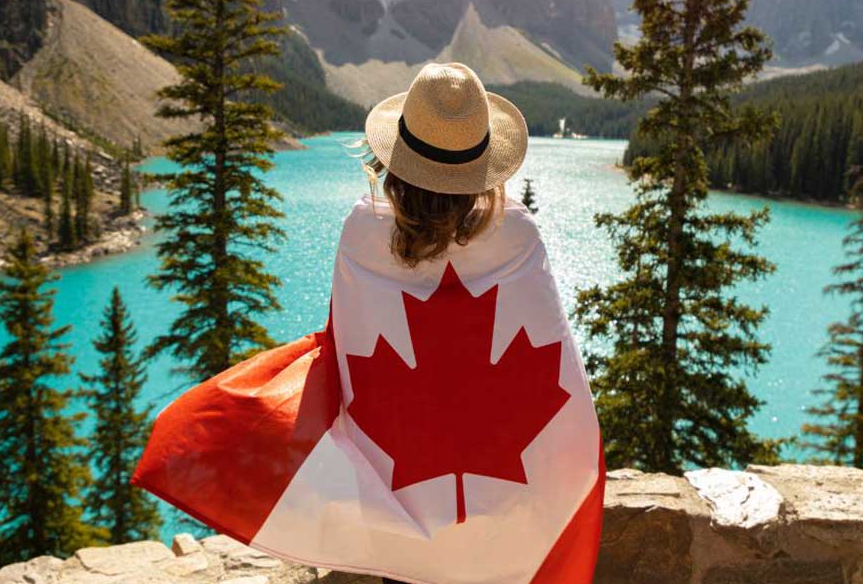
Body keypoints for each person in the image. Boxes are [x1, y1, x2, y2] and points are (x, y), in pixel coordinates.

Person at [134, 63, 604, 584]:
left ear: (395, 162)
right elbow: (556, 365)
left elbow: (346, 345)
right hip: (506, 516)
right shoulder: (518, 235)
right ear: (483, 167)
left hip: (401, 504)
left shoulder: (362, 232)